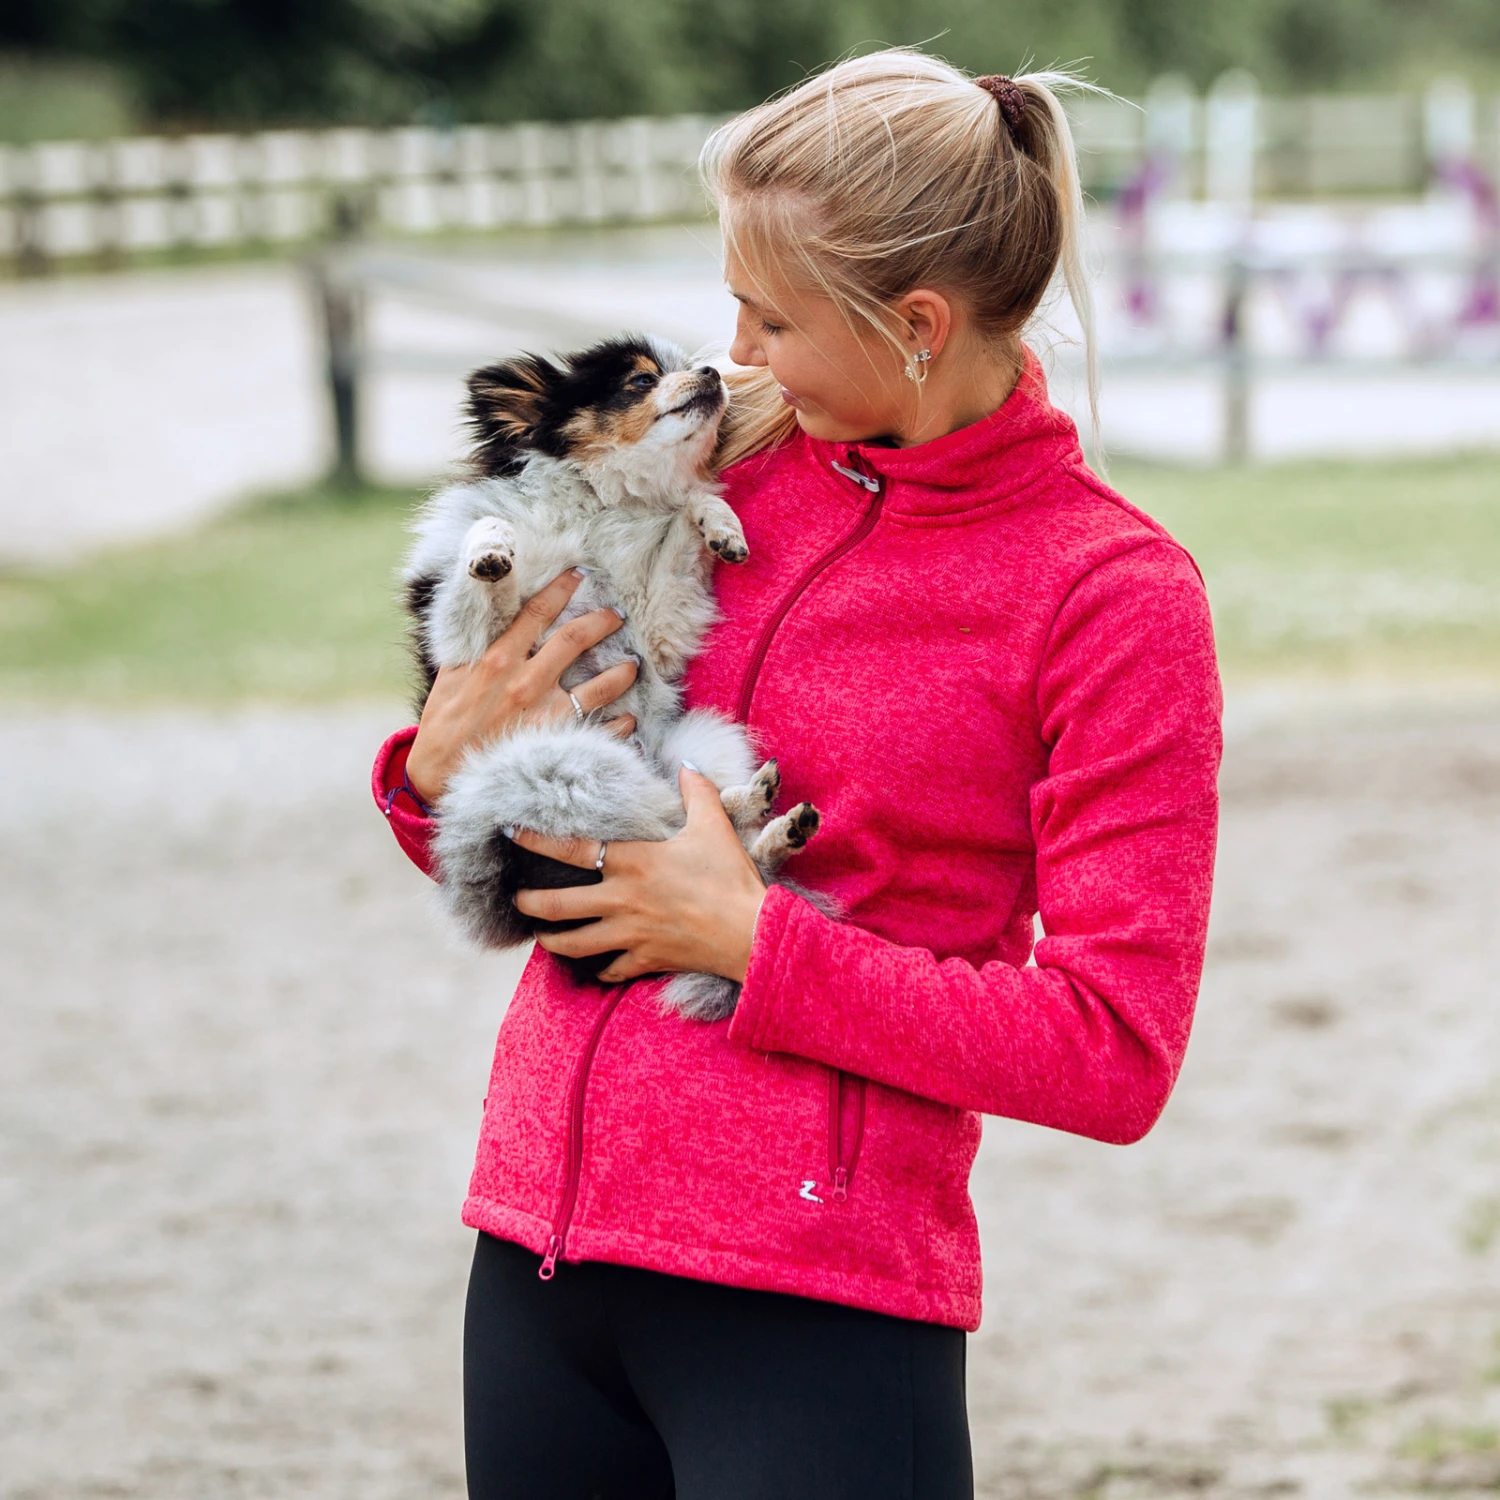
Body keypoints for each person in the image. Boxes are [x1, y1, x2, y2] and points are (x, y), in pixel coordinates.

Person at [373, 49, 1221, 1500]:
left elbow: (1111, 1051)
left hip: (820, 1317)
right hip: (539, 1266)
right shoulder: (712, 477)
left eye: (772, 317)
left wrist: (752, 945)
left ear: (917, 325)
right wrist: (435, 770)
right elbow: (532, 802)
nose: (735, 354)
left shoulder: (1110, 594)